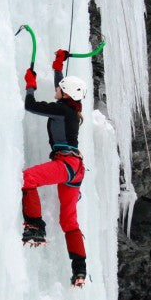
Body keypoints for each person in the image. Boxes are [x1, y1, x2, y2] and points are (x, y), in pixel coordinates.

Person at [21, 49, 89, 287]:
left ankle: (35, 227)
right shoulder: (71, 109)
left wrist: (30, 84)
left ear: (65, 93)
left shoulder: (62, 109)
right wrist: (57, 64)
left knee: (27, 179)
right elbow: (63, 86)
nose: (56, 90)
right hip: (76, 169)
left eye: (59, 89)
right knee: (69, 222)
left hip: (66, 164)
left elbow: (31, 105)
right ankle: (79, 270)